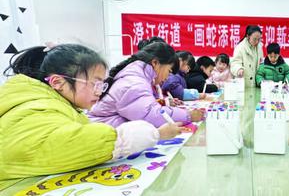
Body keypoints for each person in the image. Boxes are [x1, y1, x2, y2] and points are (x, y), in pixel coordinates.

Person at [0, 44, 182, 181]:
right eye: (95, 83)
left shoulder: (50, 103)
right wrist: (155, 133)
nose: (99, 91)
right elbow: (77, 142)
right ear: (57, 83)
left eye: (102, 84)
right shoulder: (34, 109)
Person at [89, 42, 203, 128]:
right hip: (102, 138)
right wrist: (188, 116)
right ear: (155, 63)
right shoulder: (134, 82)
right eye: (168, 71)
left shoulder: (139, 76)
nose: (167, 77)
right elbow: (151, 115)